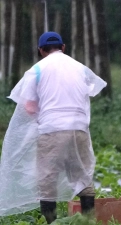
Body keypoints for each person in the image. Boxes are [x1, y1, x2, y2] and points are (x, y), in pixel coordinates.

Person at [0, 31, 106, 224]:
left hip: (52, 129)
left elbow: (30, 106)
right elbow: (89, 91)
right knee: (82, 175)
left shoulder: (38, 69)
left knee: (47, 180)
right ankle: (89, 220)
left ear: (41, 50)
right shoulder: (80, 67)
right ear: (63, 47)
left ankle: (50, 222)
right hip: (79, 129)